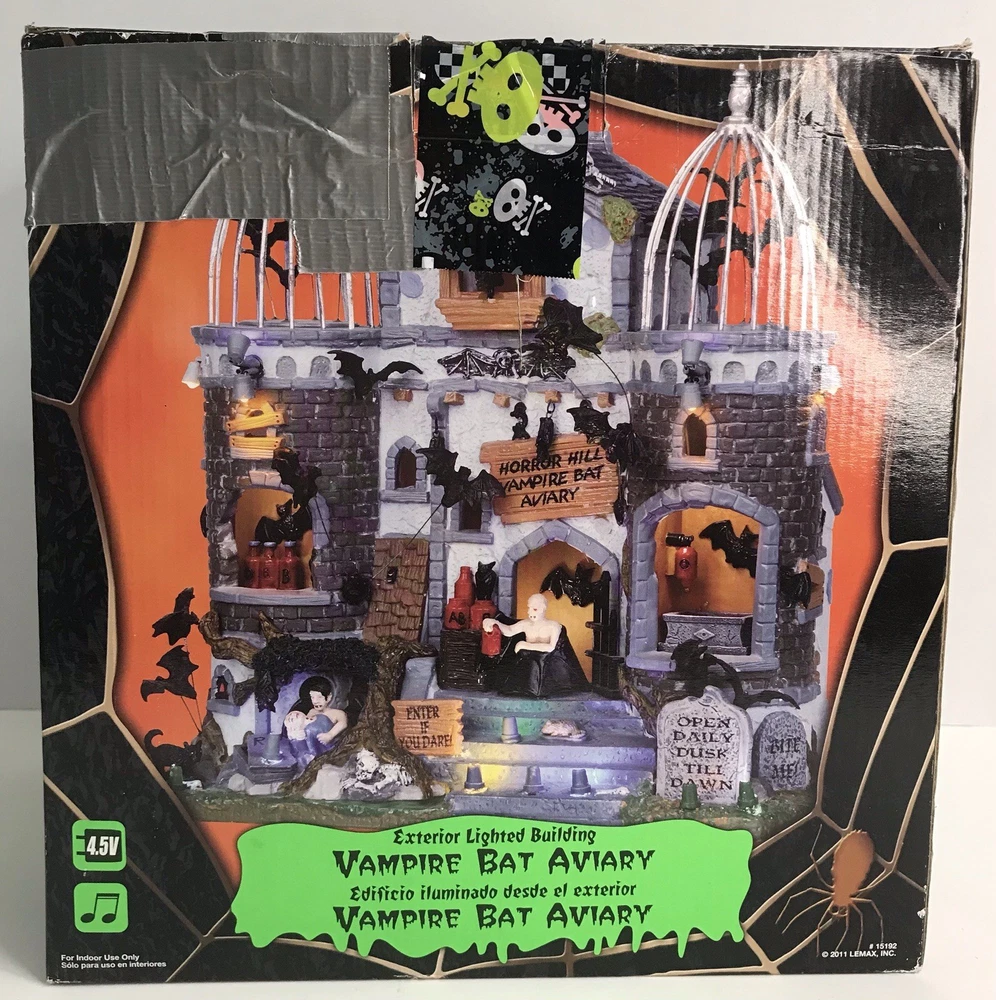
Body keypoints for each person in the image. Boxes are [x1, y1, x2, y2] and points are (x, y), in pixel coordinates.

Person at [482, 594, 590, 697]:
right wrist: (494, 622)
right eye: (529, 608)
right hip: (528, 669)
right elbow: (509, 631)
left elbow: (550, 647)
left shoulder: (554, 626)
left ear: (543, 609)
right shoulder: (526, 624)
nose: (529, 612)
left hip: (548, 669)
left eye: (534, 609)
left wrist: (524, 645)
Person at [284, 676, 349, 771]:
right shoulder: (312, 712)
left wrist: (330, 735)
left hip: (329, 749)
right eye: (312, 697)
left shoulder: (337, 713)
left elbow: (343, 724)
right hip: (311, 750)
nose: (315, 701)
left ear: (329, 697)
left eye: (319, 697)